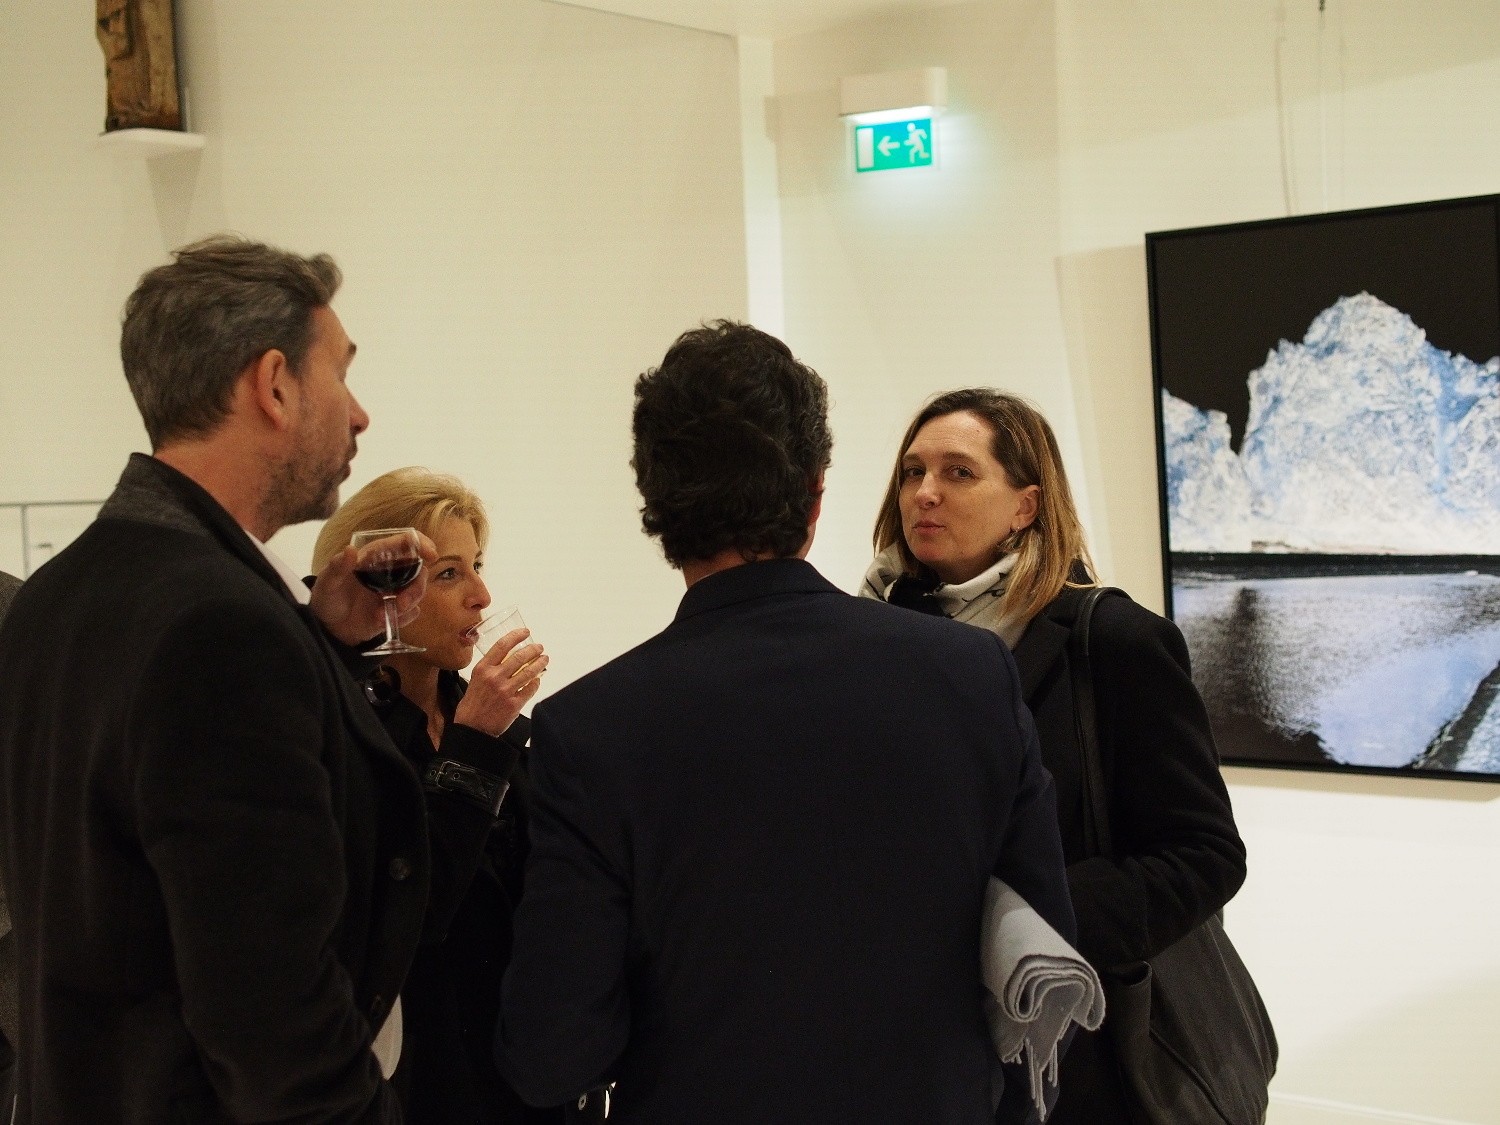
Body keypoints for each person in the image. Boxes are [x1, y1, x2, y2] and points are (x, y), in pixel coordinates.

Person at [496, 321, 1075, 1124]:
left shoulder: (590, 729)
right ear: (814, 493)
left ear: (656, 504)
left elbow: (553, 1049)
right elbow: (1040, 959)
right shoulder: (970, 674)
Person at [0, 236, 433, 1122]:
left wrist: (318, 637)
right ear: (273, 385)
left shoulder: (55, 595)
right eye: (340, 373)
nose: (359, 414)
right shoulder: (221, 628)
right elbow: (273, 1022)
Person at [862, 388, 1248, 1125]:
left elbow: (1206, 856)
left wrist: (1024, 927)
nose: (924, 493)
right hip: (918, 1038)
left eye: (958, 472)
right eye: (912, 472)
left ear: (1026, 505)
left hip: (1077, 1049)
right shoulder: (872, 643)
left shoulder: (1113, 640)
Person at [313, 468, 573, 1125]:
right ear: (382, 587)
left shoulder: (492, 721)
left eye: (476, 566)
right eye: (450, 573)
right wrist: (475, 745)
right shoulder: (348, 733)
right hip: (412, 1081)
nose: (482, 596)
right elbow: (409, 917)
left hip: (517, 1072)